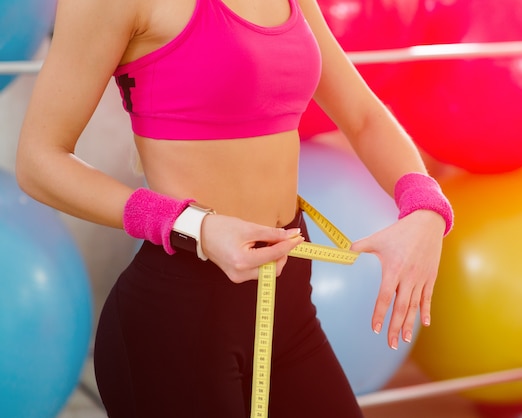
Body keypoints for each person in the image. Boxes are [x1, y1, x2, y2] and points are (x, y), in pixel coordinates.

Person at [16, 0, 453, 416]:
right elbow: (40, 160)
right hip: (179, 325)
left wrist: (423, 204)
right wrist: (195, 226)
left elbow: (363, 116)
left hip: (288, 307)